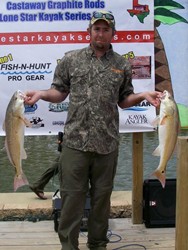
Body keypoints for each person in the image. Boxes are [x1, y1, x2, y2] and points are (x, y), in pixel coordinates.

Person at [24, 10, 161, 250]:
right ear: (89, 32)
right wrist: (42, 94)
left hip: (107, 145)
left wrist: (142, 95)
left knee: (101, 201)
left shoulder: (121, 64)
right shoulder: (71, 59)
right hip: (75, 143)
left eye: (105, 29)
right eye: (96, 28)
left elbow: (124, 99)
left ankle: (98, 244)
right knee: (71, 201)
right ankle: (69, 246)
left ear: (113, 33)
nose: (100, 33)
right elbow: (59, 91)